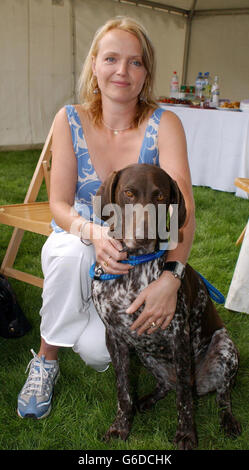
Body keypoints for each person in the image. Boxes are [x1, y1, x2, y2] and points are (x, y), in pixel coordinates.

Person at [17, 16, 195, 419]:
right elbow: (59, 204)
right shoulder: (69, 118)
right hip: (77, 235)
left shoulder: (166, 124)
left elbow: (184, 209)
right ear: (94, 65)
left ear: (146, 72)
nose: (122, 71)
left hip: (139, 259)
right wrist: (93, 232)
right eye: (111, 58)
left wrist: (172, 276)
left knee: (99, 355)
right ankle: (46, 360)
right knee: (70, 256)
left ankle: (83, 306)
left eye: (135, 62)